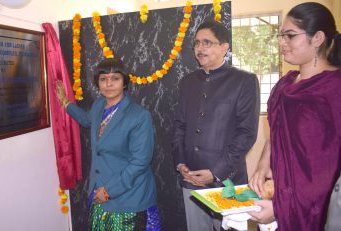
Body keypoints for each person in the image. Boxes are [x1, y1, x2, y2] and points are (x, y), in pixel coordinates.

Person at [248, 2, 341, 230]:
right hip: (282, 193)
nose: (282, 42)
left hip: (314, 207)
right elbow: (277, 131)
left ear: (317, 38)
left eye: (290, 36)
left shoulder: (333, 90)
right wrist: (263, 163)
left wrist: (281, 207)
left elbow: (326, 169)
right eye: (281, 35)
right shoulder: (285, 84)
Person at [172, 19, 260, 231]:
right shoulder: (187, 82)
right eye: (196, 43)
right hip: (191, 179)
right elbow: (179, 126)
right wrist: (181, 163)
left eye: (207, 42)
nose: (200, 48)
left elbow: (246, 133)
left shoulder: (244, 81)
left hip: (228, 181)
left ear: (224, 47)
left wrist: (216, 172)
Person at [56, 58, 160, 230]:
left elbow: (140, 162)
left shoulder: (139, 116)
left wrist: (109, 191)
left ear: (124, 82)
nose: (109, 84)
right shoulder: (99, 106)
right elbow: (87, 120)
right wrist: (65, 102)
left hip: (128, 196)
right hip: (99, 190)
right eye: (103, 79)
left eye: (115, 78)